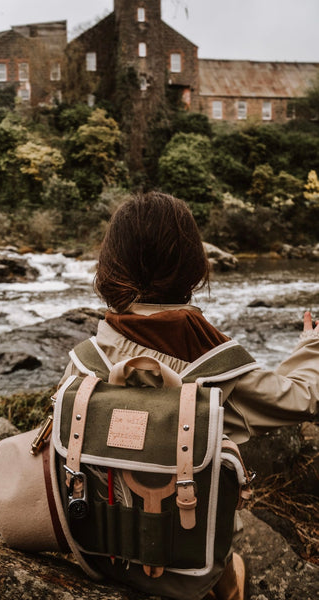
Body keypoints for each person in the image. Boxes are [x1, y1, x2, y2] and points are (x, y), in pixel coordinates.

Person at [59, 191, 319, 600]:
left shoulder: (84, 362)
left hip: (98, 556)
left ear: (110, 266)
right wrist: (310, 344)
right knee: (229, 564)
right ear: (193, 267)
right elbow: (302, 398)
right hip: (193, 572)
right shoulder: (219, 368)